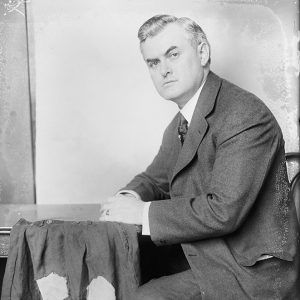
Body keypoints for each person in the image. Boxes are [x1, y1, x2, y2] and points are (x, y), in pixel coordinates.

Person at [99, 15, 299, 299]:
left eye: (173, 54)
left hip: (251, 275)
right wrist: (128, 197)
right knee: (121, 279)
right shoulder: (182, 122)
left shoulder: (244, 114)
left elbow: (224, 211)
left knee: (140, 296)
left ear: (203, 52)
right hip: (208, 259)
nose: (164, 70)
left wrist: (141, 213)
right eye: (153, 63)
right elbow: (154, 180)